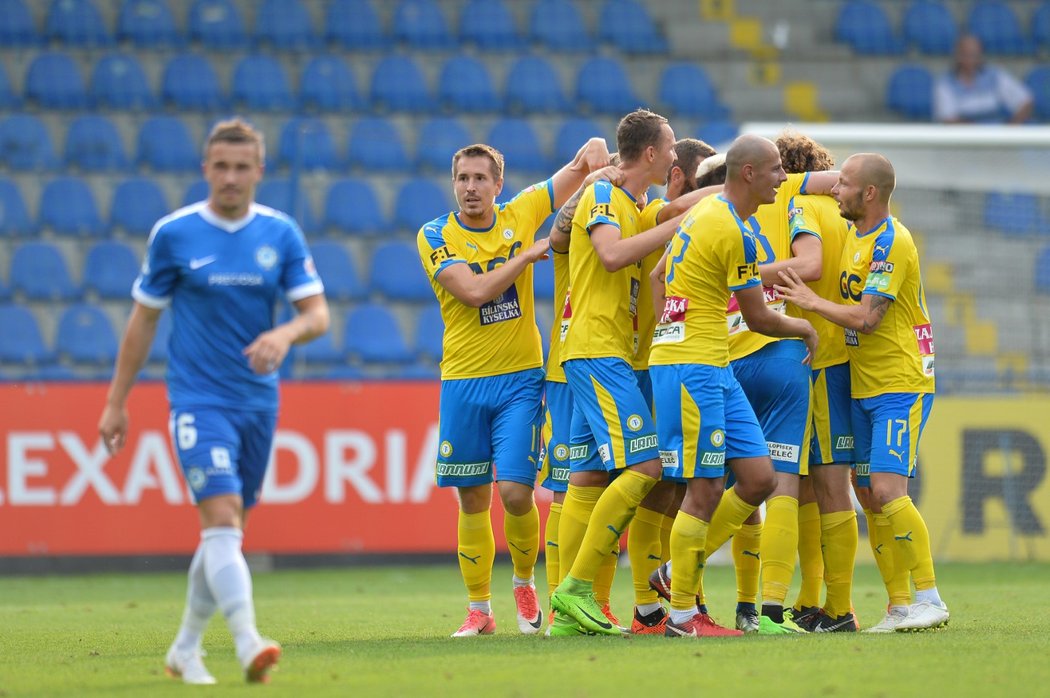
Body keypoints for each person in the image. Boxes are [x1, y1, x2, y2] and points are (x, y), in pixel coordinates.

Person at [98, 118, 330, 684]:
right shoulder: (174, 234)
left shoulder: (280, 234)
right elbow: (143, 322)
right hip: (198, 400)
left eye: (241, 166)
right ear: (205, 169)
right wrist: (116, 402)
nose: (230, 177)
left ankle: (184, 649)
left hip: (258, 403)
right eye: (220, 166)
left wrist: (284, 335)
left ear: (259, 171)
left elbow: (318, 315)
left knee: (225, 533)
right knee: (222, 520)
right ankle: (249, 642)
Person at [416, 137, 611, 638]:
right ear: (453, 183)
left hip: (520, 381)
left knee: (516, 493)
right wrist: (526, 257)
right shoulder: (435, 234)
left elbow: (583, 157)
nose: (471, 188)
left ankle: (524, 583)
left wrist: (598, 164)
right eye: (463, 178)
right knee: (472, 497)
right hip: (461, 380)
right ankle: (479, 609)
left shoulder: (520, 213)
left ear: (499, 185)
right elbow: (475, 291)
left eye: (481, 178)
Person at [648, 134, 818, 638]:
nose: (782, 180)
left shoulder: (708, 217)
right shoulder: (730, 229)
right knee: (703, 488)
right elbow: (760, 316)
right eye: (774, 172)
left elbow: (659, 275)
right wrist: (806, 327)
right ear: (747, 174)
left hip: (711, 365)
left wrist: (672, 329)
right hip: (693, 370)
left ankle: (674, 575)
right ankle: (681, 615)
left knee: (759, 478)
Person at [775, 153, 950, 632]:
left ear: (868, 193)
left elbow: (870, 319)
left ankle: (930, 597)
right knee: (869, 492)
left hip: (899, 383)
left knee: (889, 489)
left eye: (845, 184)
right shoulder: (856, 232)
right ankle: (897, 606)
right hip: (863, 384)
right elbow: (820, 182)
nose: (836, 189)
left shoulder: (893, 240)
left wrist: (812, 302)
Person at [548, 109, 688, 636]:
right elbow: (608, 257)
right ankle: (576, 588)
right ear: (649, 153)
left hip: (612, 351)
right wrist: (679, 224)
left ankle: (569, 620)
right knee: (646, 468)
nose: (673, 157)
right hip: (597, 349)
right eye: (669, 147)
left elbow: (682, 207)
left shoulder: (637, 202)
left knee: (586, 477)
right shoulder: (603, 196)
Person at [775, 132, 859, 633]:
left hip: (820, 357)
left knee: (826, 483)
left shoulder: (798, 204)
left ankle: (840, 607)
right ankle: (811, 601)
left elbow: (812, 265)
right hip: (838, 354)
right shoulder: (844, 214)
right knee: (808, 483)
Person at [933, 34, 1033, 124]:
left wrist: (1011, 129)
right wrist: (981, 136)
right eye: (966, 54)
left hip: (999, 138)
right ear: (957, 55)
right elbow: (949, 120)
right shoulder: (945, 84)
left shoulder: (996, 76)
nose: (971, 59)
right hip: (965, 141)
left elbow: (1025, 102)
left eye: (975, 54)